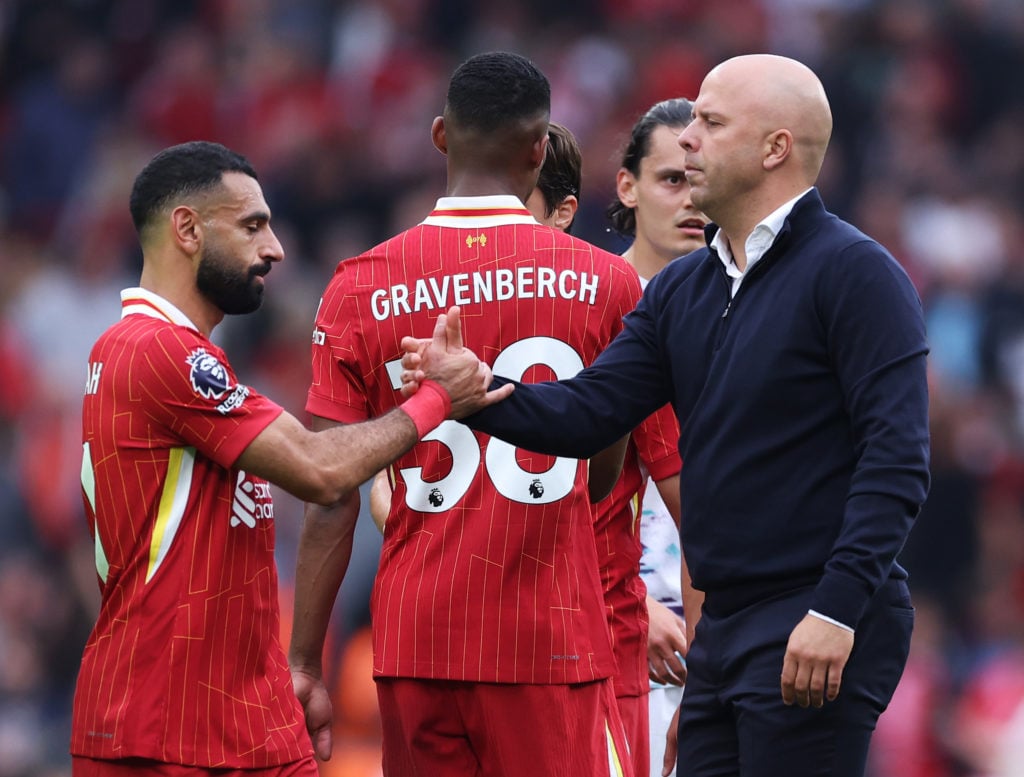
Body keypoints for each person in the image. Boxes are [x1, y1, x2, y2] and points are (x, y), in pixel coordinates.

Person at [401, 54, 931, 777]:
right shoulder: (684, 288)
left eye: (710, 123)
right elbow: (588, 413)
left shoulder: (856, 272)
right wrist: (479, 388)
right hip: (725, 629)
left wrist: (837, 610)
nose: (688, 139)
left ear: (775, 148)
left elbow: (896, 459)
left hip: (816, 613)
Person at [70, 140, 503, 777]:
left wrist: (291, 673)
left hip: (243, 716)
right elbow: (321, 471)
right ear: (186, 229)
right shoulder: (156, 350)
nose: (274, 249)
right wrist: (440, 399)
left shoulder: (153, 351)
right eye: (252, 226)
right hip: (167, 726)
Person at [288, 52, 643, 777]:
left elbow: (329, 494)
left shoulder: (358, 287)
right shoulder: (610, 282)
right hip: (551, 637)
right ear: (541, 148)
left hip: (418, 640)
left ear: (441, 135)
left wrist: (304, 660)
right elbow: (603, 471)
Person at [606, 96, 709, 777]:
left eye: (702, 181)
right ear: (627, 186)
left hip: (727, 637)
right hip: (608, 632)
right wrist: (627, 596)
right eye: (672, 179)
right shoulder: (582, 307)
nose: (691, 201)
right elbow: (532, 485)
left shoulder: (753, 314)